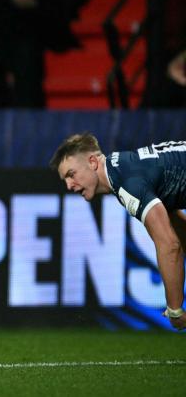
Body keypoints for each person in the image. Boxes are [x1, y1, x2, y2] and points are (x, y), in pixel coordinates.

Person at [50, 133, 186, 331]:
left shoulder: (127, 181)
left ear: (92, 162)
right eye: (65, 179)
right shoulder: (123, 170)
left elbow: (169, 245)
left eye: (71, 174)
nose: (69, 185)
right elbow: (178, 235)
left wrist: (175, 310)